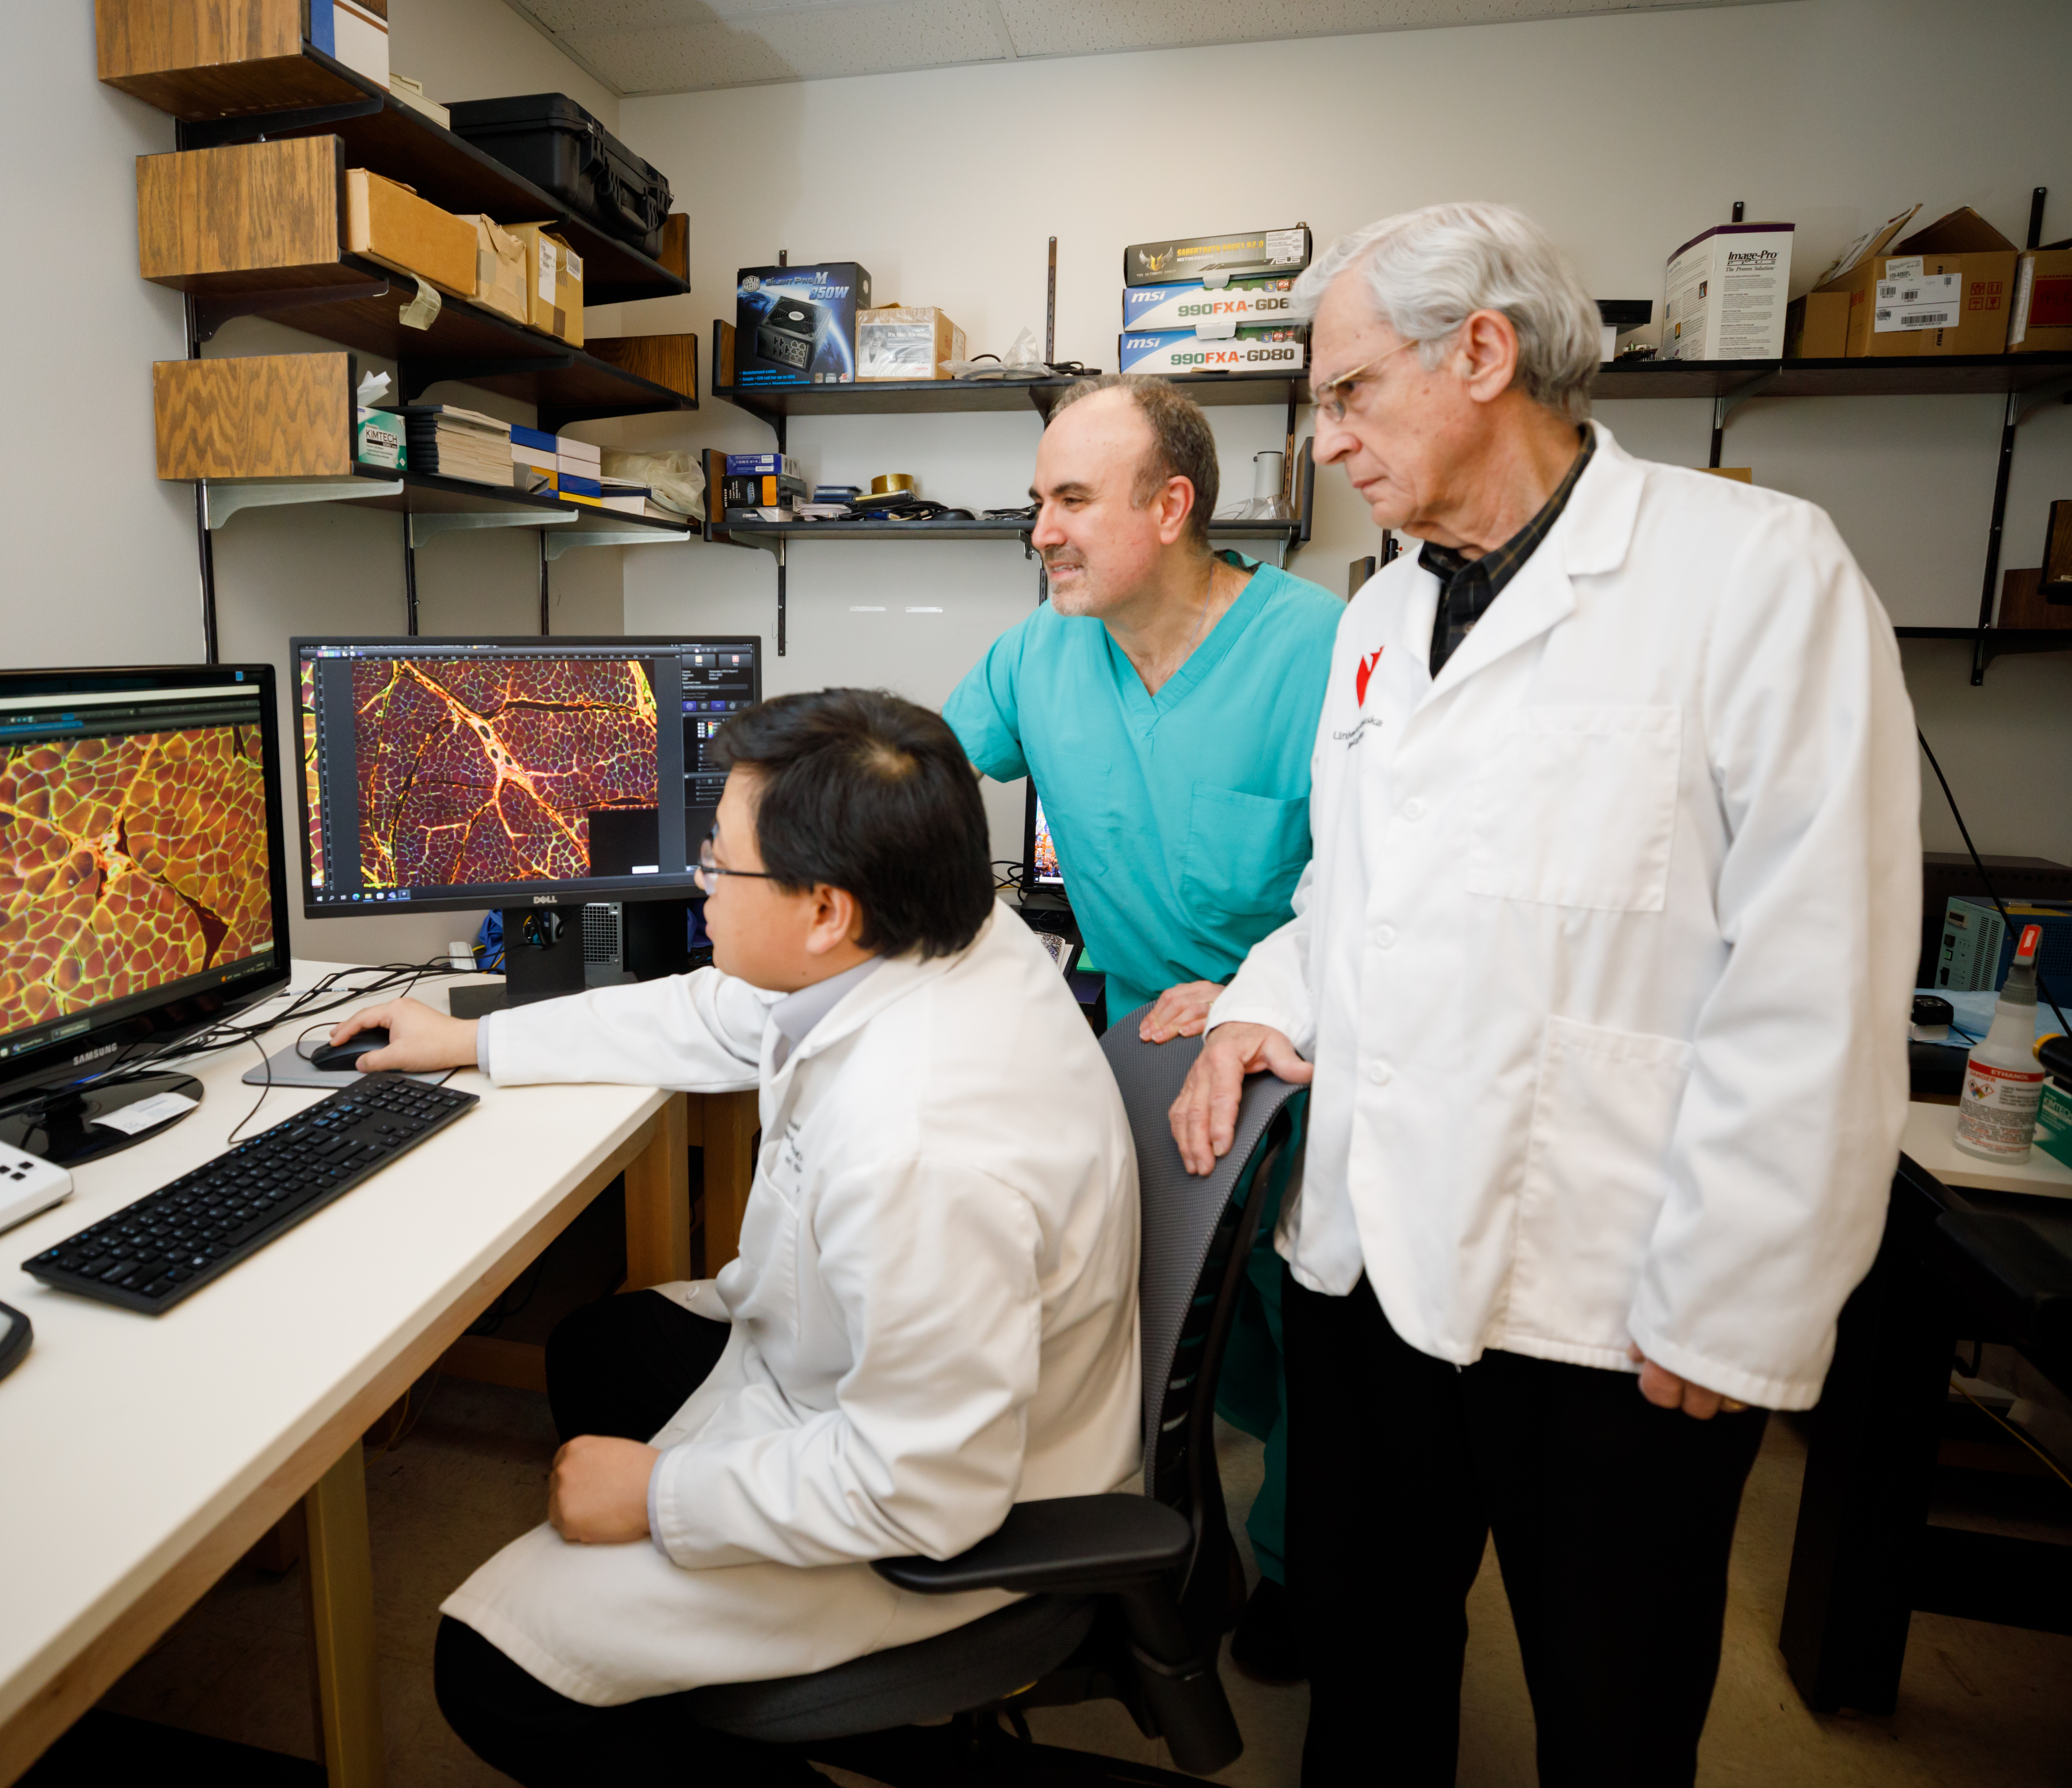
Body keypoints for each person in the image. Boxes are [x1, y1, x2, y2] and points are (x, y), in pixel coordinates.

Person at [1171, 201, 1920, 1788]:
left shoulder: (1754, 574)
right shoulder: (1377, 615)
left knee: (1612, 1707)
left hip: (1612, 1294)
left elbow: (1824, 971)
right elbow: (1346, 889)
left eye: (1349, 391)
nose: (1326, 440)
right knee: (1370, 1686)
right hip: (1367, 1264)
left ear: (1483, 353)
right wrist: (1264, 994)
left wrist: (1741, 1292)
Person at [326, 688, 1141, 1787]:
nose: (699, 882)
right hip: (869, 1380)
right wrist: (472, 1039)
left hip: (937, 1512)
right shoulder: (934, 925)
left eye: (721, 863)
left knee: (492, 1671)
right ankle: (693, 1677)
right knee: (595, 1350)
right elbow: (720, 1013)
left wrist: (660, 1498)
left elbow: (927, 1489)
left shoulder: (925, 1142)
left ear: (823, 912)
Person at [941, 374, 1344, 1680]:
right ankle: (1183, 1530)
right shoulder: (1041, 651)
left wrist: (1253, 992)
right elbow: (925, 791)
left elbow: (1393, 889)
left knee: (1306, 1340)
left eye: (1069, 500)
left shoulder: (1325, 651)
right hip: (1130, 1049)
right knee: (1164, 1323)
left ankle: (1297, 1570)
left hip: (1302, 1053)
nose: (1040, 532)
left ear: (1172, 507)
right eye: (1035, 503)